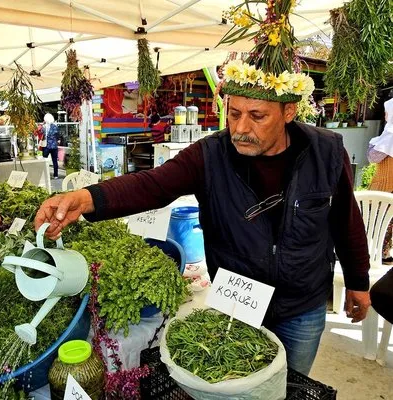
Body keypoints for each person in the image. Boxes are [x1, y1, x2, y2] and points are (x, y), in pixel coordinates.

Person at [34, 4, 371, 377]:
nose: (241, 127)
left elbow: (346, 221)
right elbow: (152, 186)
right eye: (234, 112)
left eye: (257, 116)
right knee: (238, 380)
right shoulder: (210, 155)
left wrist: (358, 282)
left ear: (288, 112)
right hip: (237, 302)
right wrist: (84, 199)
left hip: (301, 304)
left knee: (292, 383)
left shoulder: (325, 152)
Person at [367, 98, 393, 263]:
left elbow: (373, 157)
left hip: (385, 185)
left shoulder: (390, 134)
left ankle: (378, 253)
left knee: (377, 220)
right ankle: (385, 253)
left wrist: (371, 146)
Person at [42, 113, 60, 179]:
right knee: (55, 161)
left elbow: (42, 135)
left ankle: (44, 174)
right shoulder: (55, 127)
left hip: (46, 146)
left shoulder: (44, 127)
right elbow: (58, 136)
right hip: (54, 146)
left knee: (44, 161)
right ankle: (56, 175)